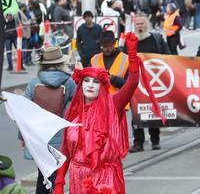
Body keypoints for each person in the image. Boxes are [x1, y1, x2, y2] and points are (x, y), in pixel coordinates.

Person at [53, 33, 163, 194]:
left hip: (105, 180)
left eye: (96, 81)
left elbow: (132, 82)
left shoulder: (113, 104)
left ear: (102, 86)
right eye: (87, 81)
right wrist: (59, 181)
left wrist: (132, 55)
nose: (91, 85)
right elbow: (66, 149)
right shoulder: (74, 111)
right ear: (80, 84)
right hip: (78, 180)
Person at [22, 47, 76, 194]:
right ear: (60, 63)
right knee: (55, 174)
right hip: (60, 137)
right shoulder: (69, 83)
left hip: (39, 138)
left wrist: (22, 137)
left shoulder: (34, 84)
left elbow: (23, 113)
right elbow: (76, 109)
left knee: (43, 172)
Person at [130, 15, 170, 152]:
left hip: (153, 81)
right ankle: (138, 142)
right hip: (136, 83)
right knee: (137, 112)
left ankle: (155, 140)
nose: (140, 26)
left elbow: (167, 56)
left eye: (142, 23)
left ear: (147, 25)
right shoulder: (131, 40)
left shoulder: (156, 39)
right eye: (138, 24)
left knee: (152, 110)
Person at [90, 31, 130, 95]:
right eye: (103, 46)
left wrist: (114, 79)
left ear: (114, 43)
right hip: (99, 101)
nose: (106, 49)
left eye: (109, 45)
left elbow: (130, 85)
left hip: (119, 102)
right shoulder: (94, 59)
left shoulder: (126, 59)